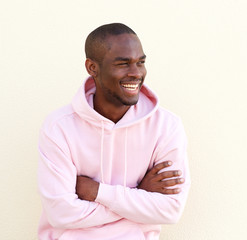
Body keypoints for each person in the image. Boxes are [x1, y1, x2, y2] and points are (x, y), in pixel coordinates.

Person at [37, 23, 190, 240]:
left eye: (141, 62)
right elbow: (60, 214)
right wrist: (141, 196)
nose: (136, 73)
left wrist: (98, 192)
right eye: (123, 64)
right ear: (92, 67)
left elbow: (171, 210)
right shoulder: (59, 127)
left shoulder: (166, 126)